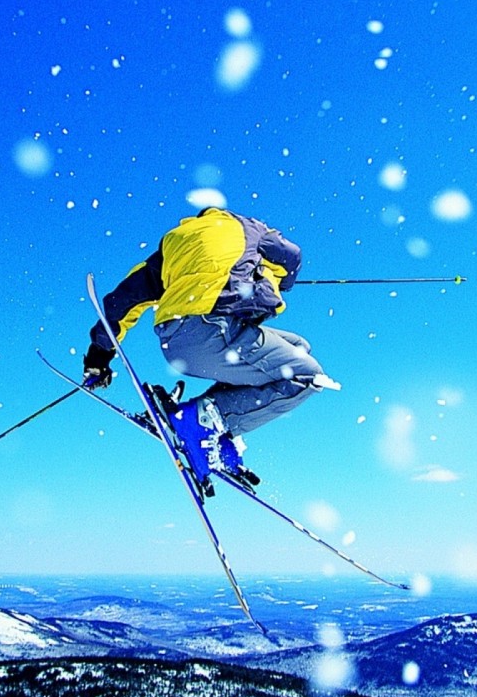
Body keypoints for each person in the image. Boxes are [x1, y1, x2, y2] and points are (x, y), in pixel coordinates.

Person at [83, 207, 328, 490]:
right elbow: (292, 257)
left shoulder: (174, 243)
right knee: (308, 376)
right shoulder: (251, 229)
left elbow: (122, 301)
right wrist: (281, 282)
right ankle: (201, 420)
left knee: (298, 347)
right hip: (214, 331)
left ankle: (208, 425)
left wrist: (99, 355)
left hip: (175, 340)